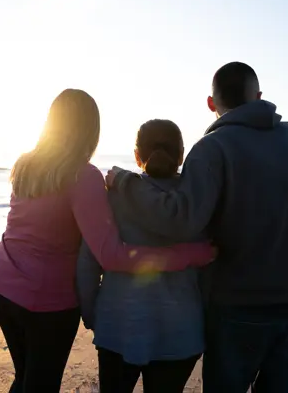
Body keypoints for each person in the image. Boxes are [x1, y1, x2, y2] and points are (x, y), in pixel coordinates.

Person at [105, 62, 288, 393]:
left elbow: (180, 219)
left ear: (212, 103)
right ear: (258, 96)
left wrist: (125, 182)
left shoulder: (213, 149)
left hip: (236, 306)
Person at [0, 89, 213, 393]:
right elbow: (110, 256)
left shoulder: (26, 163)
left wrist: (94, 311)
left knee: (24, 375)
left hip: (2, 286)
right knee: (40, 383)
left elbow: (80, 255)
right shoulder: (83, 176)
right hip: (44, 302)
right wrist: (187, 255)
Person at [77, 119, 209, 393]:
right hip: (181, 333)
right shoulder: (196, 201)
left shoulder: (112, 198)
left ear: (137, 156)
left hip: (117, 326)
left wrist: (92, 315)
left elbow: (88, 264)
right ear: (182, 155)